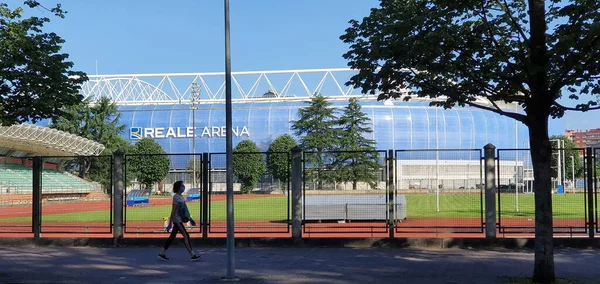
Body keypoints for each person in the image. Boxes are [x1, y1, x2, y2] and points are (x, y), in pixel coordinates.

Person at [158, 180, 202, 261]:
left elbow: (185, 209)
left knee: (172, 237)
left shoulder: (181, 196)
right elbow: (173, 210)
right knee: (186, 235)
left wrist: (190, 218)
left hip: (180, 219)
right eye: (182, 185)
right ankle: (192, 255)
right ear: (178, 188)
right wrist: (170, 223)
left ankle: (162, 254)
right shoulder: (175, 197)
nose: (183, 187)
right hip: (177, 220)